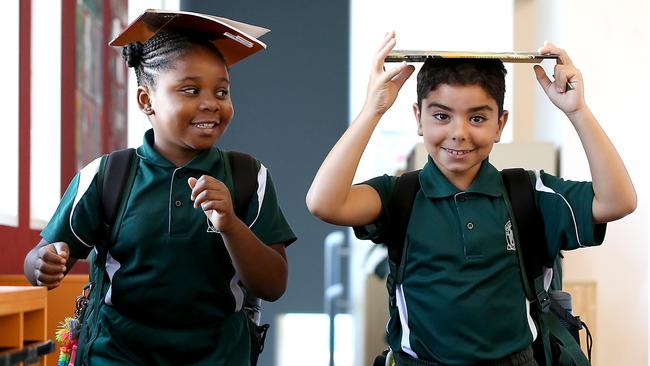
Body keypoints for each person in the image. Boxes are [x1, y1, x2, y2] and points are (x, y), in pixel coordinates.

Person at [306, 31, 636, 365]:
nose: (459, 132)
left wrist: (577, 110)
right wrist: (371, 111)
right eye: (441, 115)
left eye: (477, 118)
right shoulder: (398, 195)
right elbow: (324, 203)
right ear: (418, 118)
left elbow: (618, 201)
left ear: (499, 124)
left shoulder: (530, 194)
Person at [23, 10, 296, 366]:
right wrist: (42, 264)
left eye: (222, 91)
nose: (211, 102)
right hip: (117, 354)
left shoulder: (248, 175)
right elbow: (41, 257)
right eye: (190, 89)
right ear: (145, 100)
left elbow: (272, 285)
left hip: (219, 355)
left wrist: (230, 224)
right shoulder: (107, 175)